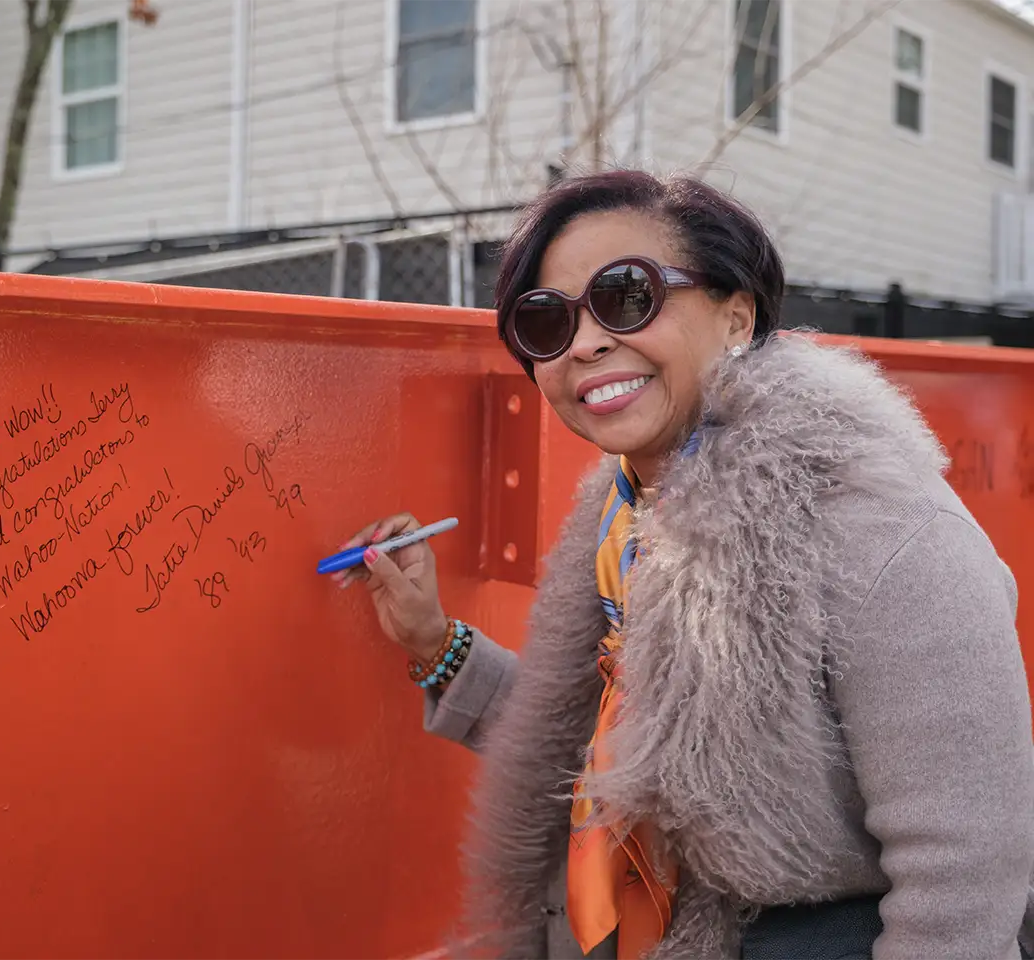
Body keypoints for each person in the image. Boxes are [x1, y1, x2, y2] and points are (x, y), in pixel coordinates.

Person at [334, 170, 1034, 960]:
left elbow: (968, 876)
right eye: (545, 323)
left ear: (736, 316)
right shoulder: (628, 519)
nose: (587, 342)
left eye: (626, 296)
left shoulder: (879, 525)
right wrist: (435, 643)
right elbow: (616, 760)